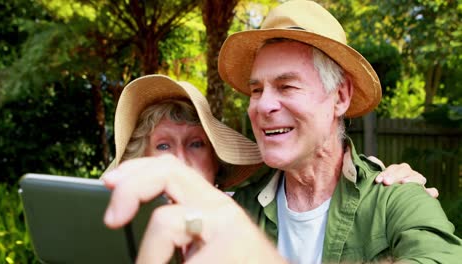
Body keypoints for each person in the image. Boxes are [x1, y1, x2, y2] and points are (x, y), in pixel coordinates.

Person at [103, 1, 461, 260]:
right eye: (257, 90)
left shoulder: (398, 199)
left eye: (287, 87)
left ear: (340, 96)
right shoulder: (237, 210)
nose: (263, 105)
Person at [105, 73, 264, 189]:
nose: (181, 160)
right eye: (163, 146)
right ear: (141, 161)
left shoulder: (245, 221)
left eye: (195, 144)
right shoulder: (120, 230)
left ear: (216, 160)